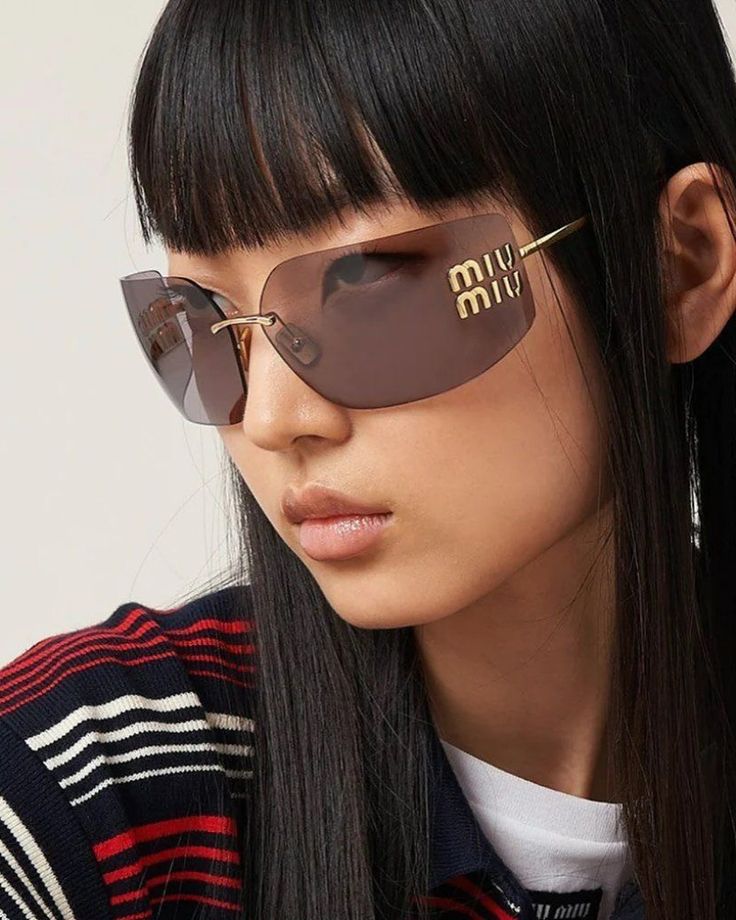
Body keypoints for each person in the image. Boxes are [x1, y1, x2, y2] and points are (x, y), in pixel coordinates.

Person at [2, 0, 736, 917]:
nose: (273, 417)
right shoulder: (90, 790)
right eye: (203, 320)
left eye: (369, 286)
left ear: (680, 264)